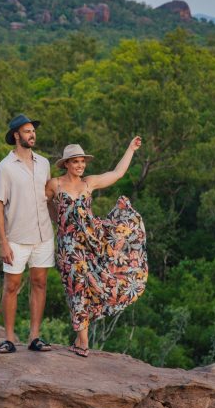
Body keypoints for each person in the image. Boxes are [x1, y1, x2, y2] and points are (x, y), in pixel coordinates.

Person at [45, 137, 147, 357]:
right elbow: (42, 203)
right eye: (75, 162)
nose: (80, 165)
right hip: (69, 245)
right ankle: (83, 341)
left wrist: (130, 148)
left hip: (93, 240)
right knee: (76, 287)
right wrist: (58, 222)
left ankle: (80, 340)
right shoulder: (55, 184)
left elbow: (117, 173)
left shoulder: (88, 182)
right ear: (66, 164)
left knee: (91, 286)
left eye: (82, 161)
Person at [0, 114, 55, 354]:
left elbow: (48, 198)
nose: (32, 135)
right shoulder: (5, 168)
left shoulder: (45, 163)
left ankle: (35, 337)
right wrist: (3, 242)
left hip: (43, 235)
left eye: (33, 131)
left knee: (40, 283)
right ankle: (8, 339)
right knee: (12, 286)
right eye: (27, 131)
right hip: (16, 237)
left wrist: (59, 221)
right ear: (16, 135)